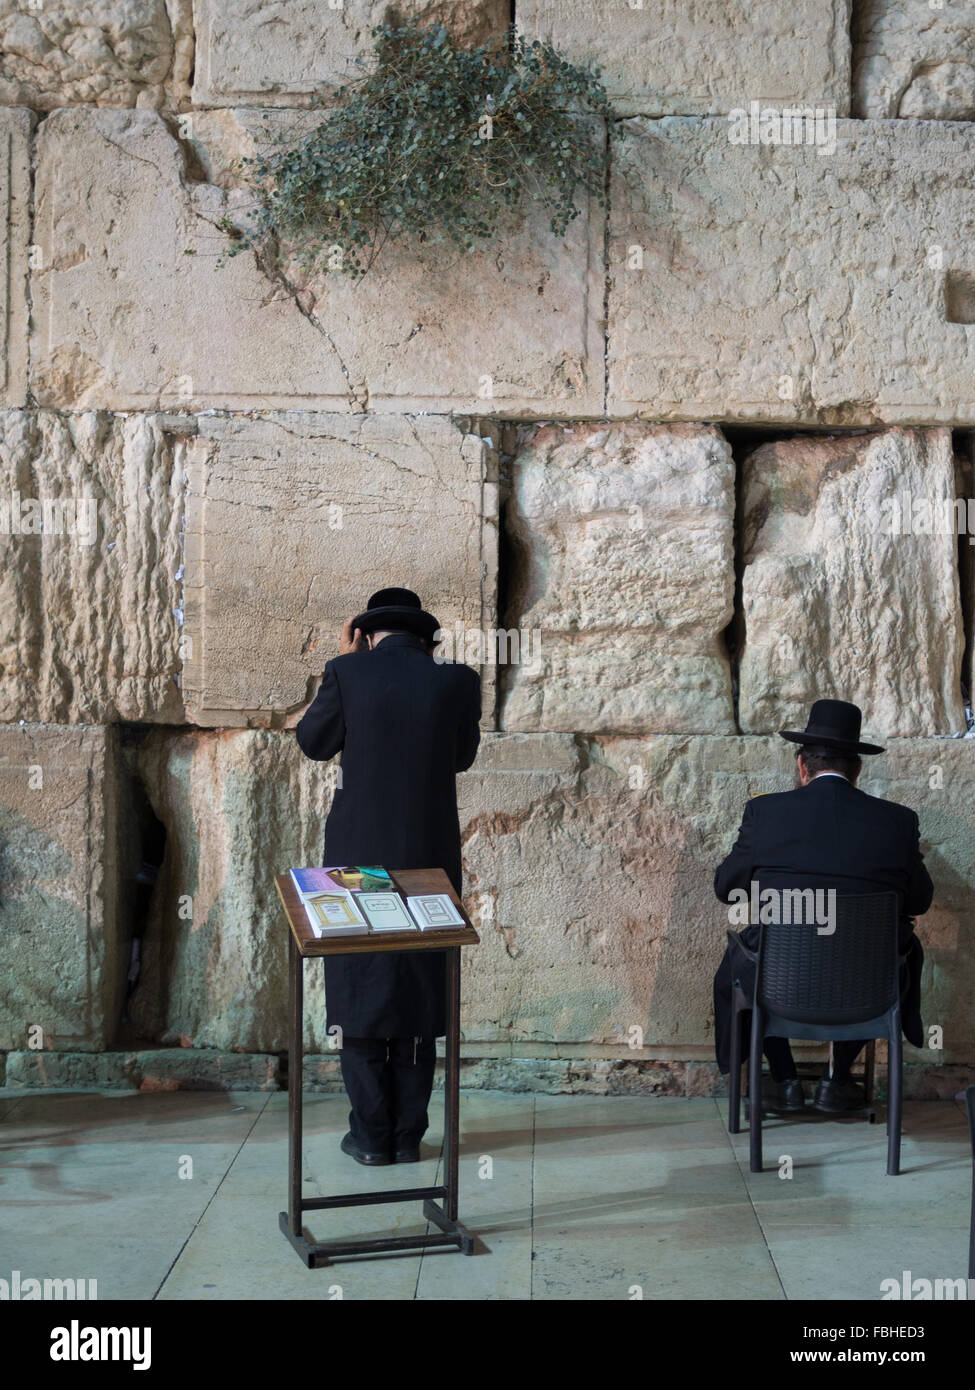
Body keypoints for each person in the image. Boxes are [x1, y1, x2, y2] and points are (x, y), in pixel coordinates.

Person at [295, 587, 482, 1165]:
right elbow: (461, 757)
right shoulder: (458, 683)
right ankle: (408, 1137)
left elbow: (313, 743)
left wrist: (347, 660)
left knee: (362, 989)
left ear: (368, 632)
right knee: (420, 993)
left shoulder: (347, 672)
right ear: (428, 639)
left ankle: (371, 1136)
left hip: (357, 866)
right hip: (430, 866)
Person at [713, 699, 932, 1115]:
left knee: (746, 969)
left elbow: (727, 887)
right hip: (866, 981)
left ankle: (785, 1079)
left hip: (779, 977)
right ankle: (837, 1076)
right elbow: (920, 900)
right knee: (891, 963)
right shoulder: (898, 821)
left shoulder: (765, 813)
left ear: (801, 766)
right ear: (858, 770)